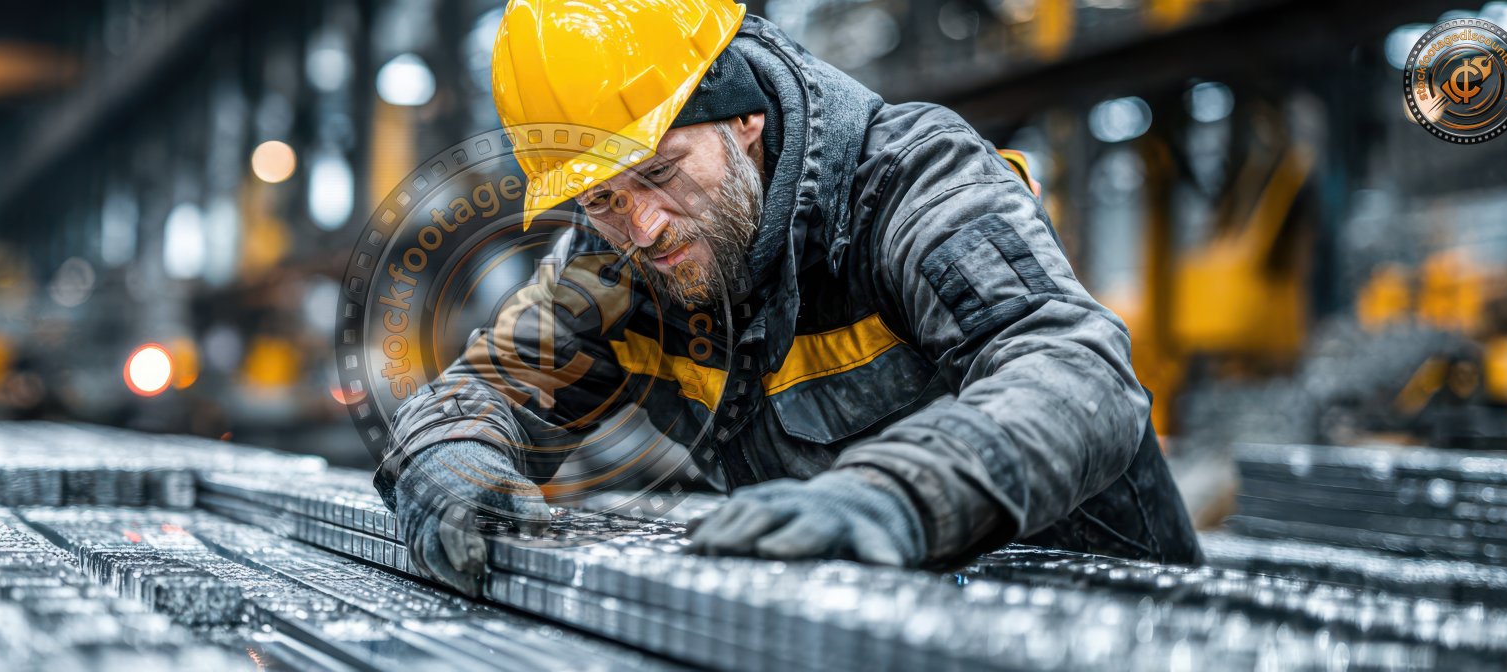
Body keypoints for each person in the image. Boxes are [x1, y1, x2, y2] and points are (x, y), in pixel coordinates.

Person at [373, 0, 1201, 597]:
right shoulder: (611, 263)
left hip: (1106, 621)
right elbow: (486, 391)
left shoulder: (906, 184)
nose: (643, 225)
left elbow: (1073, 372)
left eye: (661, 172)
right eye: (599, 199)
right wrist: (450, 471)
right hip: (873, 632)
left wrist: (896, 495)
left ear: (743, 120)